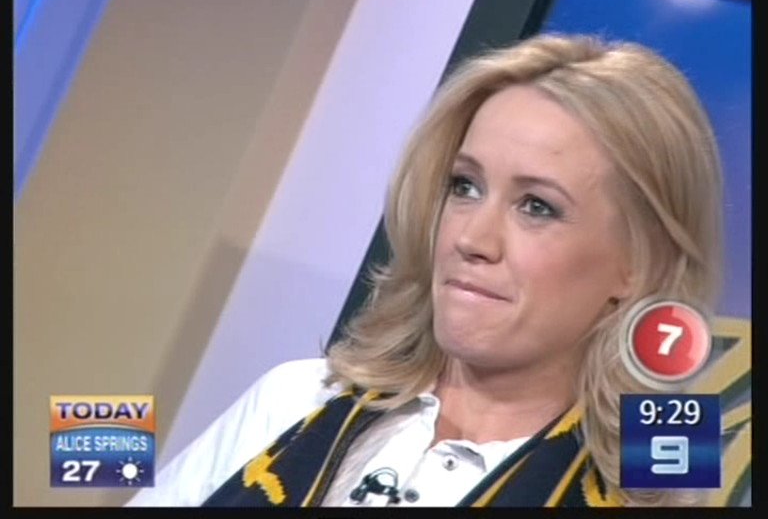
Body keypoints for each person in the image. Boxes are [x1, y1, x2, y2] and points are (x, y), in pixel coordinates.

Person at [126, 33, 723, 507]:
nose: (470, 238)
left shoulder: (660, 480)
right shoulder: (296, 399)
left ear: (638, 262)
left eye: (537, 206)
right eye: (465, 186)